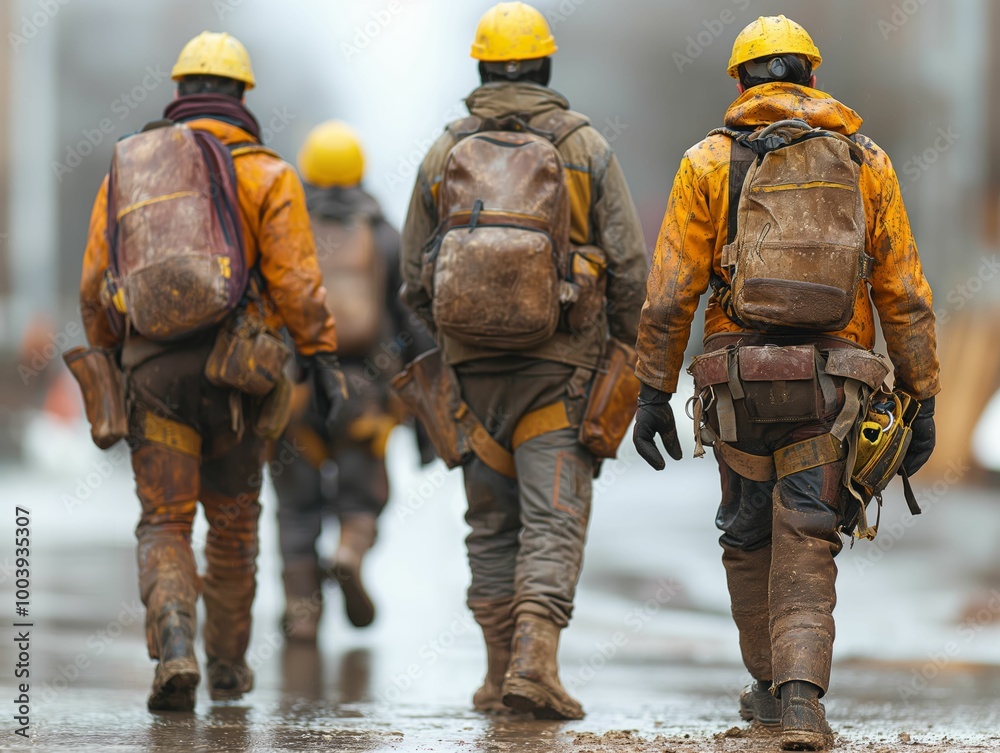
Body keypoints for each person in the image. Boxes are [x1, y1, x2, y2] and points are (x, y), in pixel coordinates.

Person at [632, 15, 939, 751]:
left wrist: (650, 391)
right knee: (807, 529)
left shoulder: (707, 161)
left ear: (739, 82)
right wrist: (922, 395)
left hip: (738, 385)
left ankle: (768, 688)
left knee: (747, 532)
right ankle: (801, 699)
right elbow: (903, 291)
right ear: (812, 73)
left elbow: (671, 291)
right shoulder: (868, 161)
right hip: (836, 383)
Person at [78, 31, 346, 712]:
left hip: (152, 376)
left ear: (178, 93)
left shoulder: (127, 175)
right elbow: (297, 282)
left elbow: (93, 285)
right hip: (237, 378)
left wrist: (113, 353)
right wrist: (318, 353)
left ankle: (174, 644)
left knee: (165, 522)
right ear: (243, 96)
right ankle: (227, 665)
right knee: (233, 525)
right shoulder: (268, 173)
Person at [400, 1, 648, 719]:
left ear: (480, 68)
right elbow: (629, 264)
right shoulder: (584, 147)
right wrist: (623, 351)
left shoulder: (446, 150)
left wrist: (456, 339)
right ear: (546, 66)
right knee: (552, 521)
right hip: (560, 374)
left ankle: (494, 674)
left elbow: (413, 280)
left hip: (471, 382)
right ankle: (535, 666)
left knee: (489, 526)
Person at [276, 120, 434, 643]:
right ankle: (349, 551)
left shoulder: (283, 233)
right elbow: (410, 322)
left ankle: (302, 612)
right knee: (362, 497)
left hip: (295, 395)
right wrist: (426, 402)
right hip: (365, 396)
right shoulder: (383, 237)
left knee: (296, 506)